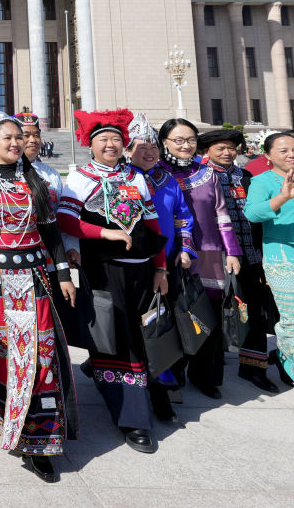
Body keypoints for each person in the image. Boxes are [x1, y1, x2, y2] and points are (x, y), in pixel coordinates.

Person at [0, 112, 78, 483]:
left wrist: (63, 274)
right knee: (2, 351)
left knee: (40, 352)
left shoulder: (36, 181)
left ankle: (37, 438)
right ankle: (1, 409)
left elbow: (50, 232)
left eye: (18, 137)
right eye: (6, 137)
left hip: (33, 278)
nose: (15, 143)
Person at [59, 109, 168, 453]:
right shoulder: (81, 177)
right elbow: (65, 220)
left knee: (140, 334)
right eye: (103, 139)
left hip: (142, 270)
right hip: (105, 270)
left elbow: (152, 223)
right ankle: (133, 418)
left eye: (116, 139)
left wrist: (160, 268)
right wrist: (104, 233)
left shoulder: (135, 176)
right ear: (89, 145)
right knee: (120, 339)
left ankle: (123, 385)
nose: (110, 144)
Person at [157, 118, 242, 400]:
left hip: (208, 253)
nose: (186, 145)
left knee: (208, 315)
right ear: (165, 142)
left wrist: (232, 251)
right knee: (174, 314)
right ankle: (172, 373)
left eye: (191, 139)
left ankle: (205, 375)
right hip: (171, 254)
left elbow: (222, 214)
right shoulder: (156, 173)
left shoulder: (207, 173)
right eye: (178, 140)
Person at [244, 132, 294, 422]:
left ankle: (286, 357)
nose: (292, 154)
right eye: (283, 150)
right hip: (283, 257)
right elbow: (252, 214)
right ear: (267, 156)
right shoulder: (262, 182)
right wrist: (282, 197)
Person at [198, 129, 284, 393]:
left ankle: (253, 368)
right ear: (206, 151)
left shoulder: (246, 177)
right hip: (215, 257)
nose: (227, 152)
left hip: (251, 255)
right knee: (213, 313)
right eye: (220, 148)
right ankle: (206, 372)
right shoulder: (200, 177)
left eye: (231, 148)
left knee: (254, 312)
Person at [124, 113, 195, 414]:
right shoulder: (121, 179)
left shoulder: (167, 180)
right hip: (132, 265)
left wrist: (185, 249)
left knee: (160, 323)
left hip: (165, 263)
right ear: (128, 150)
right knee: (135, 325)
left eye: (153, 146)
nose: (150, 152)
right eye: (142, 147)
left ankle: (162, 383)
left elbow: (183, 217)